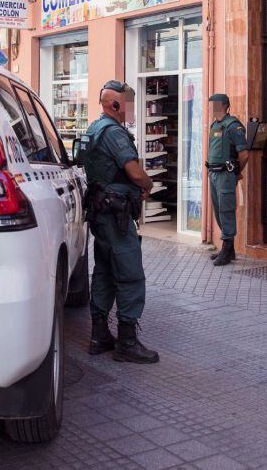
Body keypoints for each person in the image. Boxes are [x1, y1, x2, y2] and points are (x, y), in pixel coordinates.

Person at [82, 80, 159, 363]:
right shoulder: (115, 133)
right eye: (127, 103)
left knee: (103, 271)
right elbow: (134, 172)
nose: (131, 109)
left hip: (101, 214)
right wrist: (147, 184)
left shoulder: (94, 128)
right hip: (116, 216)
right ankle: (126, 342)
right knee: (129, 275)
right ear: (115, 105)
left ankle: (98, 335)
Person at [206, 93, 250, 266]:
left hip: (225, 174)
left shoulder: (233, 126)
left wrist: (237, 171)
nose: (210, 108)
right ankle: (228, 250)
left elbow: (244, 154)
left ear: (223, 106)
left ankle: (227, 248)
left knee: (226, 210)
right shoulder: (215, 125)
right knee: (218, 210)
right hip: (214, 174)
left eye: (213, 105)